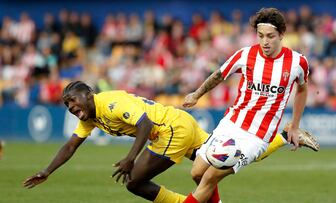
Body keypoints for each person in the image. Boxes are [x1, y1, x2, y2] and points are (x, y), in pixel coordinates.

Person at [23, 81, 318, 203]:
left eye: (74, 103)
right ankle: (285, 136)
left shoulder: (110, 103)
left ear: (88, 94)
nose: (74, 110)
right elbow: (71, 144)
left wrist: (129, 159)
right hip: (179, 126)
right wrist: (47, 171)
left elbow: (144, 125)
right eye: (69, 108)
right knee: (224, 161)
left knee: (135, 181)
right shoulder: (89, 117)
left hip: (170, 129)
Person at [182, 7, 315, 203]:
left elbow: (302, 90)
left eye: (270, 36)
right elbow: (220, 74)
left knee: (210, 178)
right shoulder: (245, 55)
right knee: (197, 173)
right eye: (260, 36)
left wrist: (294, 125)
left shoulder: (297, 62)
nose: (265, 41)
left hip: (257, 135)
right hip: (232, 123)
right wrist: (196, 94)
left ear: (281, 35)